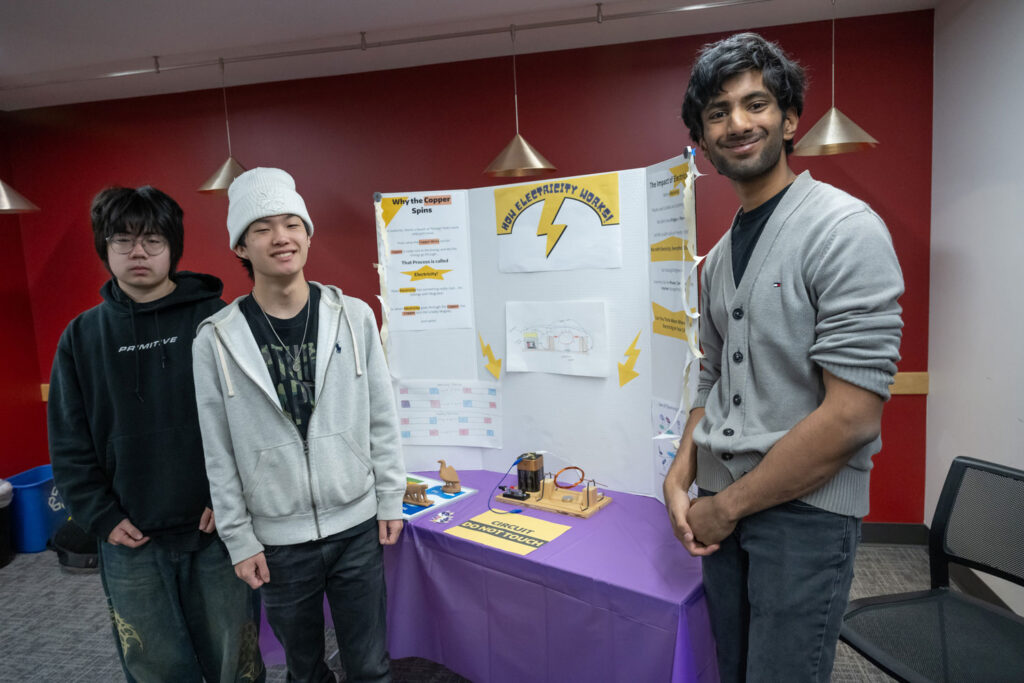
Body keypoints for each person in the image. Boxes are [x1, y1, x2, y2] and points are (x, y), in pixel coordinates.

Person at [663, 33, 904, 682]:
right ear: (704, 140)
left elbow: (852, 417)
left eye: (755, 103)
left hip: (806, 514)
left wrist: (729, 504)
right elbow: (712, 376)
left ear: (790, 118)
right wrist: (679, 472)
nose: (738, 123)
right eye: (718, 113)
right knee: (733, 669)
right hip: (722, 503)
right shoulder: (716, 262)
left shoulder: (843, 230)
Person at [193, 167, 406, 683]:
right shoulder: (216, 340)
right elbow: (217, 451)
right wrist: (239, 539)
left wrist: (390, 497)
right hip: (278, 541)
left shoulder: (353, 317)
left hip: (356, 526)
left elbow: (383, 416)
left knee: (371, 667)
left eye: (292, 224)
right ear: (241, 247)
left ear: (308, 235)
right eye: (262, 228)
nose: (281, 238)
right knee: (304, 671)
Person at [48, 185, 265, 682]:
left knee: (237, 662)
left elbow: (252, 419)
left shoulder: (218, 320)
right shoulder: (82, 337)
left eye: (151, 239)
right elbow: (68, 439)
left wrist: (230, 497)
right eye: (122, 240)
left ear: (173, 246)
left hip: (216, 528)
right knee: (155, 667)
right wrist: (99, 515)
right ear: (105, 249)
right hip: (129, 537)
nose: (138, 252)